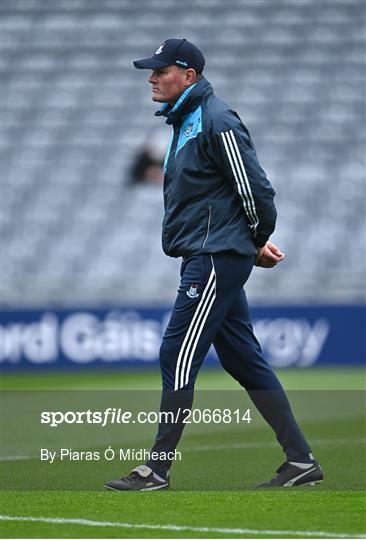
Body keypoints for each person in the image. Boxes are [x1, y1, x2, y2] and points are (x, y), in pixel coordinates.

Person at [105, 38, 323, 491]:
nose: (151, 77)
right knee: (244, 360)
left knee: (177, 353)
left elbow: (256, 190)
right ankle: (301, 462)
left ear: (189, 75)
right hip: (213, 252)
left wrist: (255, 242)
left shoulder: (215, 120)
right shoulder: (186, 121)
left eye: (161, 70)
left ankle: (157, 470)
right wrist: (247, 244)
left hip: (214, 256)